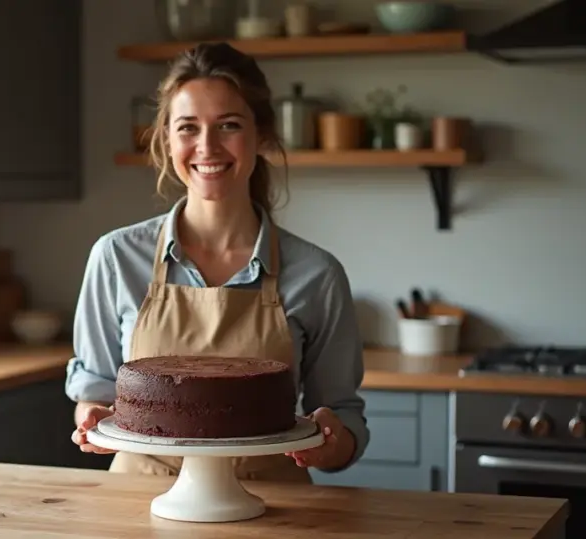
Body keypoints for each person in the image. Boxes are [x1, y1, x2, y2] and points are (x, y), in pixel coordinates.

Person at [65, 42, 369, 483]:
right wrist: (90, 418)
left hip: (273, 506)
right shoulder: (115, 258)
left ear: (262, 134)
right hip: (138, 501)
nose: (207, 146)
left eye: (228, 125)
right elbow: (93, 394)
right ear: (166, 138)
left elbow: (344, 419)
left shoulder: (317, 275)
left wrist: (331, 442)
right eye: (188, 127)